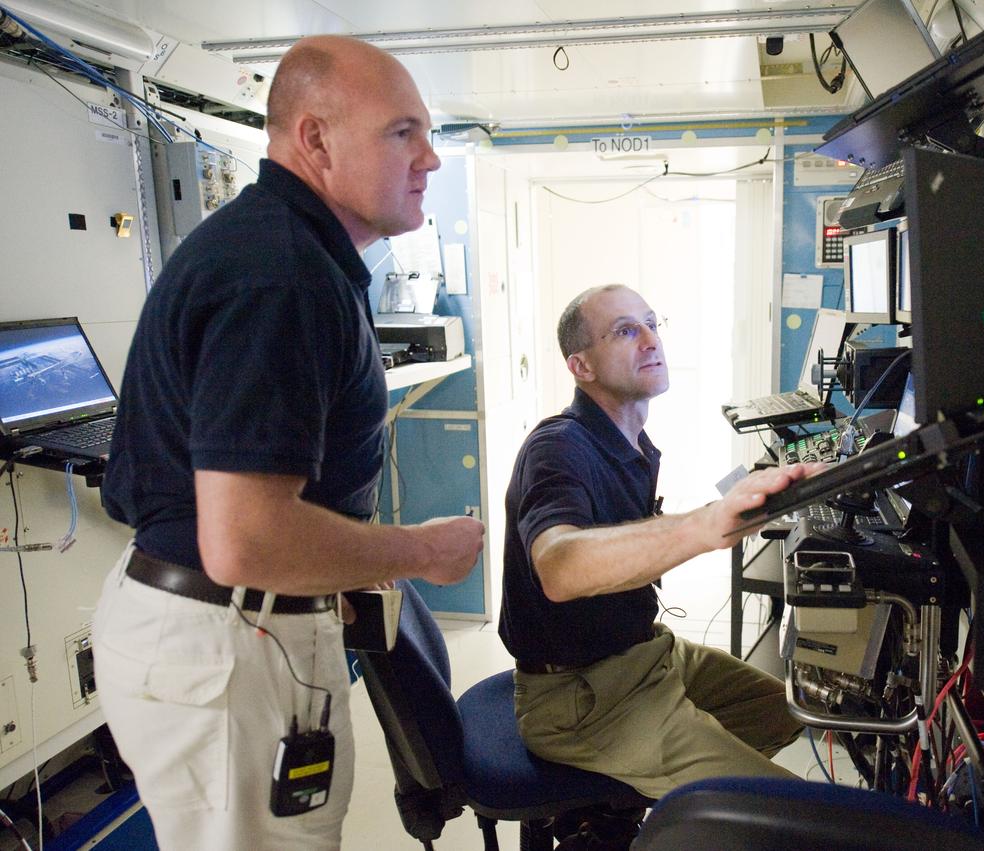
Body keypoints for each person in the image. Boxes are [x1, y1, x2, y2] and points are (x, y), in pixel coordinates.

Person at [93, 36, 483, 850]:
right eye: (401, 132)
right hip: (224, 640)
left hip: (244, 628)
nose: (431, 159)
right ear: (315, 139)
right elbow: (245, 538)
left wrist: (334, 567)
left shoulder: (295, 254)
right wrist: (418, 550)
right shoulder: (281, 274)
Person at [500, 284, 822, 810]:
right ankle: (710, 813)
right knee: (792, 813)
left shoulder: (631, 444)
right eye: (626, 330)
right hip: (583, 699)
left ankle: (684, 811)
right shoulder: (557, 448)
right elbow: (560, 569)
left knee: (791, 709)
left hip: (646, 654)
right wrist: (704, 525)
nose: (652, 340)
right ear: (581, 367)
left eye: (652, 323)